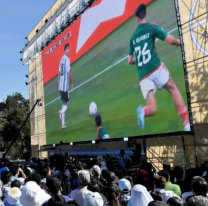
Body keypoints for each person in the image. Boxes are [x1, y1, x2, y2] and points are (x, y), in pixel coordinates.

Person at [128, 3, 190, 131]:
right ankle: (186, 123)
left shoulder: (132, 37)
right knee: (173, 89)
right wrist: (179, 42)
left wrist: (139, 60)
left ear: (136, 19)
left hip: (143, 76)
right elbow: (170, 40)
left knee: (153, 109)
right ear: (145, 14)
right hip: (156, 69)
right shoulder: (152, 27)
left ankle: (144, 111)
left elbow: (129, 60)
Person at [58, 43, 73, 129]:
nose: (69, 50)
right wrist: (71, 83)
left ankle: (63, 124)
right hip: (65, 87)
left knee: (64, 104)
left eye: (69, 49)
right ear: (65, 50)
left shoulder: (61, 60)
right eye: (67, 49)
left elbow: (59, 73)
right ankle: (60, 112)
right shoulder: (67, 59)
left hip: (61, 86)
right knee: (67, 106)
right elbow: (69, 73)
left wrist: (58, 86)